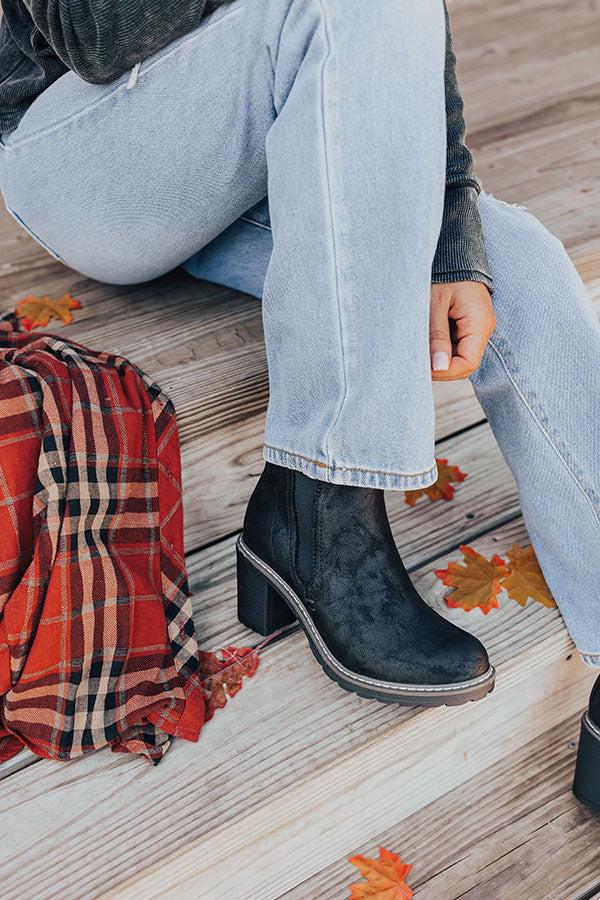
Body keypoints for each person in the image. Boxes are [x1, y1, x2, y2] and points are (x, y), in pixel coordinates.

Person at [0, 0, 598, 803]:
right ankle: (325, 496)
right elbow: (98, 39)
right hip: (80, 150)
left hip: (243, 125)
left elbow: (414, 42)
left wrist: (453, 227)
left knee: (513, 257)